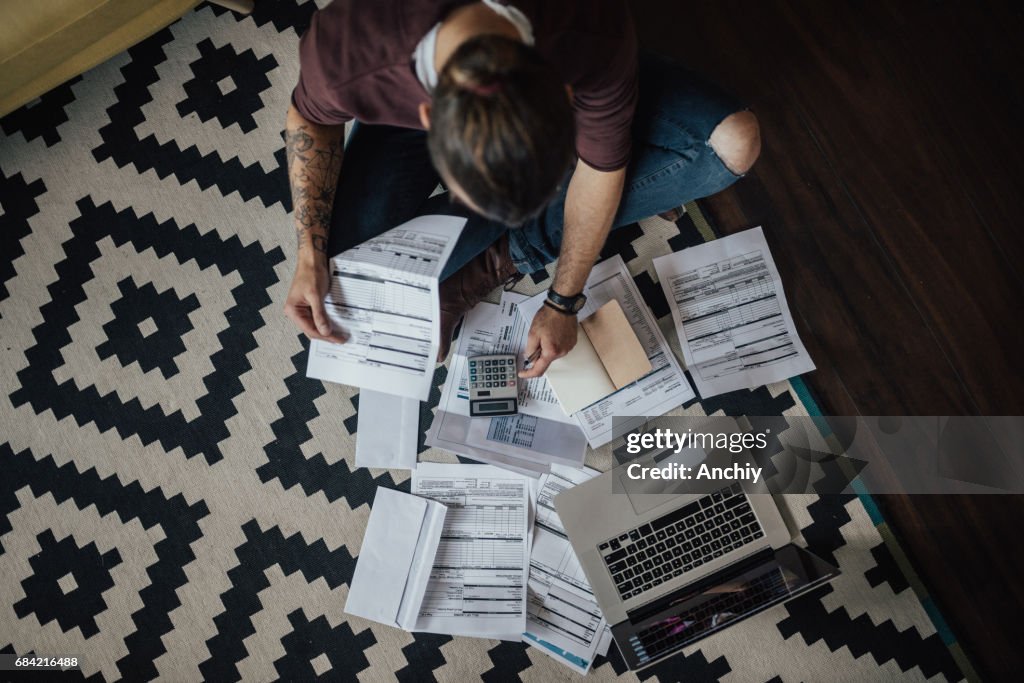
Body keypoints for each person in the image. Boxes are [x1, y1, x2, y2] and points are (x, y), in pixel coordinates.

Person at [282, 0, 760, 379]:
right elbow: (308, 119)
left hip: (578, 49)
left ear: (565, 96)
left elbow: (601, 169)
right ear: (427, 116)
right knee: (346, 274)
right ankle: (506, 237)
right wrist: (309, 253)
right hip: (408, 69)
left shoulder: (589, 29)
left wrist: (563, 299)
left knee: (732, 145)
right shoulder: (350, 50)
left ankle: (503, 255)